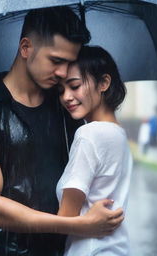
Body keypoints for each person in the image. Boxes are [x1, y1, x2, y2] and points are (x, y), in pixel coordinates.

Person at [0, 7, 124, 256]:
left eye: (69, 63)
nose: (63, 73)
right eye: (56, 60)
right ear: (26, 48)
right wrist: (77, 225)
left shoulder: (67, 106)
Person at [56, 46, 133, 256]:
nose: (66, 97)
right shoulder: (119, 135)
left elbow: (65, 218)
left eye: (74, 86)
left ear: (104, 83)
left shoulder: (89, 134)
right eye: (61, 90)